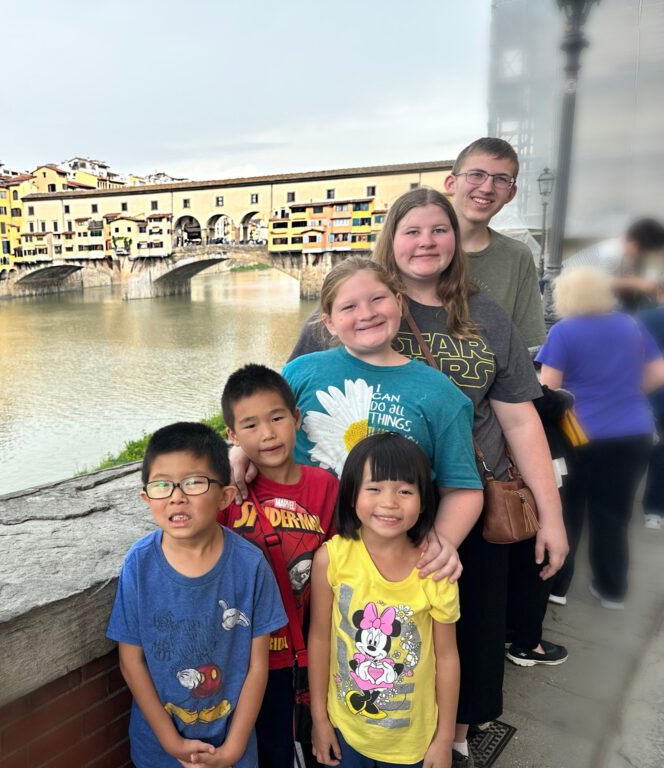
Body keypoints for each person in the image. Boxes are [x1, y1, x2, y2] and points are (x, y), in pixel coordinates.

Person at [370, 187, 568, 766]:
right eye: (412, 230)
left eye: (439, 230)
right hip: (383, 505)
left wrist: (550, 516)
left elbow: (519, 418)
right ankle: (382, 728)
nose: (426, 242)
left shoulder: (484, 313)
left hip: (475, 501)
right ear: (392, 239)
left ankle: (456, 737)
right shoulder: (364, 303)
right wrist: (240, 451)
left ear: (456, 241)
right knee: (387, 628)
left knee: (475, 626)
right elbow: (300, 390)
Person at [233, 257, 484, 585]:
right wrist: (240, 452)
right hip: (295, 553)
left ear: (398, 303)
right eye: (349, 307)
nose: (366, 314)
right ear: (330, 323)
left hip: (384, 564)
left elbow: (462, 488)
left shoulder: (440, 394)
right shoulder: (300, 373)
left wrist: (444, 540)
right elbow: (264, 429)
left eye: (377, 299)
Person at [106, 422, 287, 767]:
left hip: (231, 746)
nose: (176, 495)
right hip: (158, 749)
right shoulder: (139, 565)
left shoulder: (249, 566)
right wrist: (172, 743)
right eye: (162, 485)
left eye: (193, 482)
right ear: (147, 498)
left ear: (224, 496)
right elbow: (131, 661)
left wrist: (233, 749)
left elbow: (257, 665)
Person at [288, 137, 545, 359]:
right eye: (476, 175)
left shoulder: (516, 257)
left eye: (500, 179)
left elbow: (518, 354)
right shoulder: (387, 263)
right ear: (451, 183)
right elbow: (312, 350)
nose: (487, 187)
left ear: (511, 193)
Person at [308, 432, 459, 768]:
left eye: (405, 491)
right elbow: (319, 638)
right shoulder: (332, 559)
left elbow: (447, 658)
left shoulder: (435, 570)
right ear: (350, 495)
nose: (390, 502)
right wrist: (319, 720)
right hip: (345, 729)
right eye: (374, 488)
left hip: (412, 742)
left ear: (423, 501)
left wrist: (444, 738)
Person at [219, 363, 340, 767]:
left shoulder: (325, 486)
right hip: (249, 659)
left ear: (296, 419)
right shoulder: (228, 494)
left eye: (276, 418)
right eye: (249, 426)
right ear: (233, 437)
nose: (267, 434)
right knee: (267, 750)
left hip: (310, 653)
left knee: (311, 747)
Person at [537, 268, 664, 609]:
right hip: (632, 431)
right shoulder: (632, 326)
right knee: (614, 513)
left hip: (577, 433)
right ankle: (611, 590)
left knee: (569, 512)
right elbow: (658, 373)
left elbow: (549, 388)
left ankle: (557, 587)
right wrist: (624, 394)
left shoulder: (564, 331)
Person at [639, 278, 664, 529]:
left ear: (659, 291)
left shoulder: (645, 318)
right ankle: (654, 512)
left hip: (648, 396)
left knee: (638, 452)